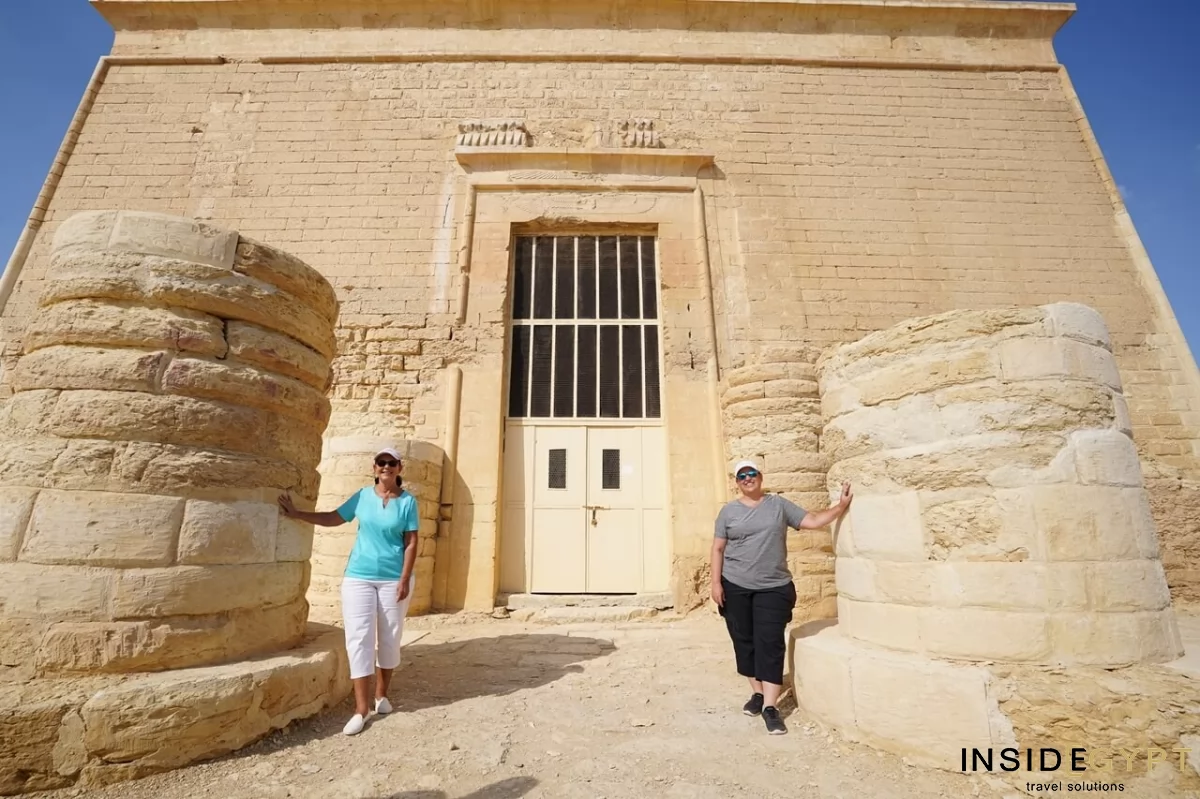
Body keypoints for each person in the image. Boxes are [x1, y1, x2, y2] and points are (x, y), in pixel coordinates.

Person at [278, 446, 419, 736]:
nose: (386, 467)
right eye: (381, 462)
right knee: (358, 638)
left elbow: (412, 541)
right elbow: (334, 517)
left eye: (391, 463)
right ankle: (361, 709)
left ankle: (381, 695)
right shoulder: (362, 497)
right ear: (374, 467)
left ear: (399, 468)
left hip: (394, 579)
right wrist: (297, 514)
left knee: (390, 638)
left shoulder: (408, 502)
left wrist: (404, 578)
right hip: (359, 577)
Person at [711, 459, 852, 735]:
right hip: (735, 585)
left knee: (770, 642)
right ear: (737, 482)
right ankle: (758, 693)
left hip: (773, 587)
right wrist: (716, 583)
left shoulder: (778, 505)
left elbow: (811, 520)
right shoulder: (728, 512)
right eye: (742, 476)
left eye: (752, 474)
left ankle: (771, 707)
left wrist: (841, 507)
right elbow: (717, 549)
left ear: (760, 477)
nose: (747, 478)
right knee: (744, 640)